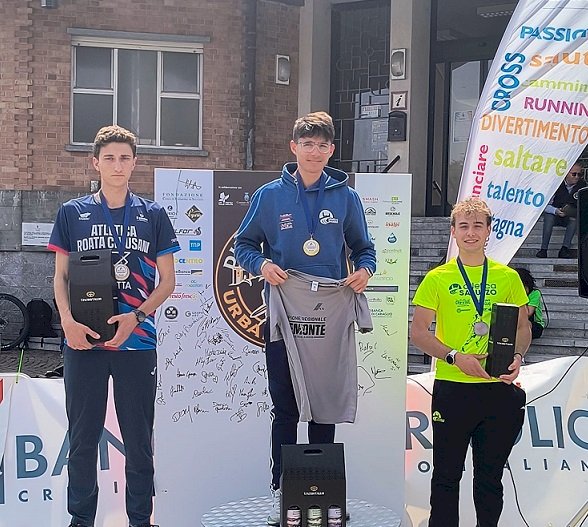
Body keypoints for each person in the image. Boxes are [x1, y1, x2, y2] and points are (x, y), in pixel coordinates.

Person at [234, 111, 376, 525]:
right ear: (294, 147)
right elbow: (244, 245)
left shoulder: (346, 197)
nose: (314, 152)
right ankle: (282, 492)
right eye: (307, 144)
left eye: (322, 145)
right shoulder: (269, 196)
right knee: (285, 408)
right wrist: (262, 265)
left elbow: (364, 249)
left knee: (324, 408)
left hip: (328, 317)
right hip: (283, 314)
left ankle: (323, 494)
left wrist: (365, 270)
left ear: (331, 150)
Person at [48, 125, 180, 527]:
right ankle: (81, 519)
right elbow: (60, 277)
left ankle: (140, 519)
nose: (117, 165)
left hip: (136, 343)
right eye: (109, 158)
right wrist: (67, 323)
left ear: (135, 163)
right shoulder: (72, 213)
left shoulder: (153, 215)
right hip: (83, 343)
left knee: (139, 441)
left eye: (124, 158)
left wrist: (137, 316)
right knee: (82, 440)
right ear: (95, 163)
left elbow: (168, 281)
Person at [410, 197, 531, 527]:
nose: (471, 232)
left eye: (478, 225)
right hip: (453, 389)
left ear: (489, 231)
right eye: (463, 226)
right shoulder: (437, 278)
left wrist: (517, 356)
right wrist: (454, 356)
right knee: (446, 477)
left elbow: (523, 327)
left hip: (496, 389)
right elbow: (418, 333)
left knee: (490, 479)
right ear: (453, 232)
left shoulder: (508, 277)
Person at [536, 162, 586, 258]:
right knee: (548, 217)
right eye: (574, 174)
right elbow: (543, 205)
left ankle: (564, 249)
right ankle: (543, 249)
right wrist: (555, 211)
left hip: (570, 215)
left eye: (579, 174)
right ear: (566, 173)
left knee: (574, 220)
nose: (577, 177)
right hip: (555, 213)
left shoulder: (582, 186)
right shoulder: (556, 184)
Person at [514, 267, 545, 340]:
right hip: (515, 323)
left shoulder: (535, 294)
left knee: (525, 324)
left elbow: (527, 313)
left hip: (534, 325)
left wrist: (521, 296)